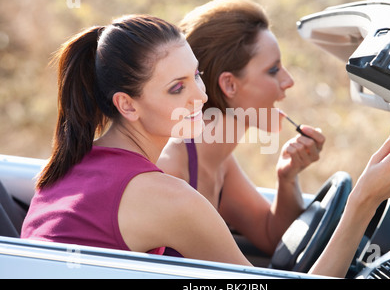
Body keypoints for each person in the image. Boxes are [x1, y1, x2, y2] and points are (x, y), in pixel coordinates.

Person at [157, 0, 390, 277]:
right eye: (273, 70)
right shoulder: (173, 172)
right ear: (229, 84)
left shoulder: (219, 163)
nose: (288, 81)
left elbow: (273, 238)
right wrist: (363, 201)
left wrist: (287, 177)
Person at [20, 14, 251, 265]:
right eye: (177, 88)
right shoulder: (171, 200)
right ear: (128, 105)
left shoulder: (67, 166)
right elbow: (251, 285)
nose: (201, 97)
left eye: (196, 74)